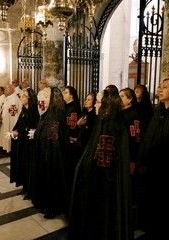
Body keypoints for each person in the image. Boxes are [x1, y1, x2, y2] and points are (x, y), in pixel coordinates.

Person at [67, 89, 133, 240]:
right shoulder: (102, 121)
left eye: (98, 102)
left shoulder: (113, 126)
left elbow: (106, 166)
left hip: (103, 189)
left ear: (107, 105)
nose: (95, 105)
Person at [30, 86, 70, 219]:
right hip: (45, 154)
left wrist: (47, 152)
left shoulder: (56, 115)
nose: (44, 100)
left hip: (53, 157)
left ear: (53, 99)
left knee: (53, 181)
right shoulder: (47, 114)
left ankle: (54, 207)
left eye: (47, 97)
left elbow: (54, 140)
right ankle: (45, 203)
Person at [137, 78, 169, 240]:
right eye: (160, 86)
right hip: (152, 165)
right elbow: (149, 137)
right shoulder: (159, 111)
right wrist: (142, 160)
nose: (160, 89)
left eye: (165, 87)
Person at [9, 88, 40, 198]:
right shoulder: (24, 110)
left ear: (30, 98)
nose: (21, 97)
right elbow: (19, 125)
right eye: (21, 96)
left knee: (28, 167)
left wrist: (19, 133)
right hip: (21, 145)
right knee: (22, 166)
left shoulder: (33, 113)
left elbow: (32, 131)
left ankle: (30, 190)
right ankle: (24, 187)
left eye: (24, 96)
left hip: (29, 147)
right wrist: (14, 132)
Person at [119, 87, 141, 231]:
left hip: (129, 157)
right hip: (122, 156)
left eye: (122, 96)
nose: (119, 99)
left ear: (130, 99)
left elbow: (135, 139)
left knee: (130, 190)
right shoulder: (122, 113)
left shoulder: (132, 115)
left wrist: (132, 160)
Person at [0, 84, 22, 153]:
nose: (5, 90)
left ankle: (11, 149)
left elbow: (13, 112)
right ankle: (7, 148)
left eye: (7, 89)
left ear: (12, 89)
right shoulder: (9, 98)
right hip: (6, 121)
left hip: (11, 121)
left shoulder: (14, 99)